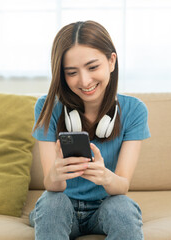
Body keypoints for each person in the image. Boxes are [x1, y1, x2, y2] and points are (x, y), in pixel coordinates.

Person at [29, 20, 150, 240]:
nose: (85, 81)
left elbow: (122, 186)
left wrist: (105, 177)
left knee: (122, 206)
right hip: (60, 206)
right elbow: (50, 185)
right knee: (51, 201)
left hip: (105, 206)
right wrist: (56, 174)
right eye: (71, 72)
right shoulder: (48, 107)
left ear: (111, 61)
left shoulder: (134, 111)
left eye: (93, 67)